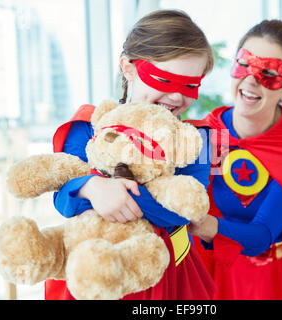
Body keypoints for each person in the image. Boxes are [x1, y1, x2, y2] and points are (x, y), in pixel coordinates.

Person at [45, 9, 216, 300]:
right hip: (94, 270)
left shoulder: (197, 139)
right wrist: (90, 186)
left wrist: (121, 197)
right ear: (129, 68)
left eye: (189, 85)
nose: (177, 97)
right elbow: (62, 199)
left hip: (166, 275)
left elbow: (183, 210)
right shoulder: (88, 126)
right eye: (165, 80)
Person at [188, 20, 282, 300]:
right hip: (227, 271)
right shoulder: (208, 135)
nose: (250, 79)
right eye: (244, 64)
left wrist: (204, 225)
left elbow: (261, 235)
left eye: (268, 73)